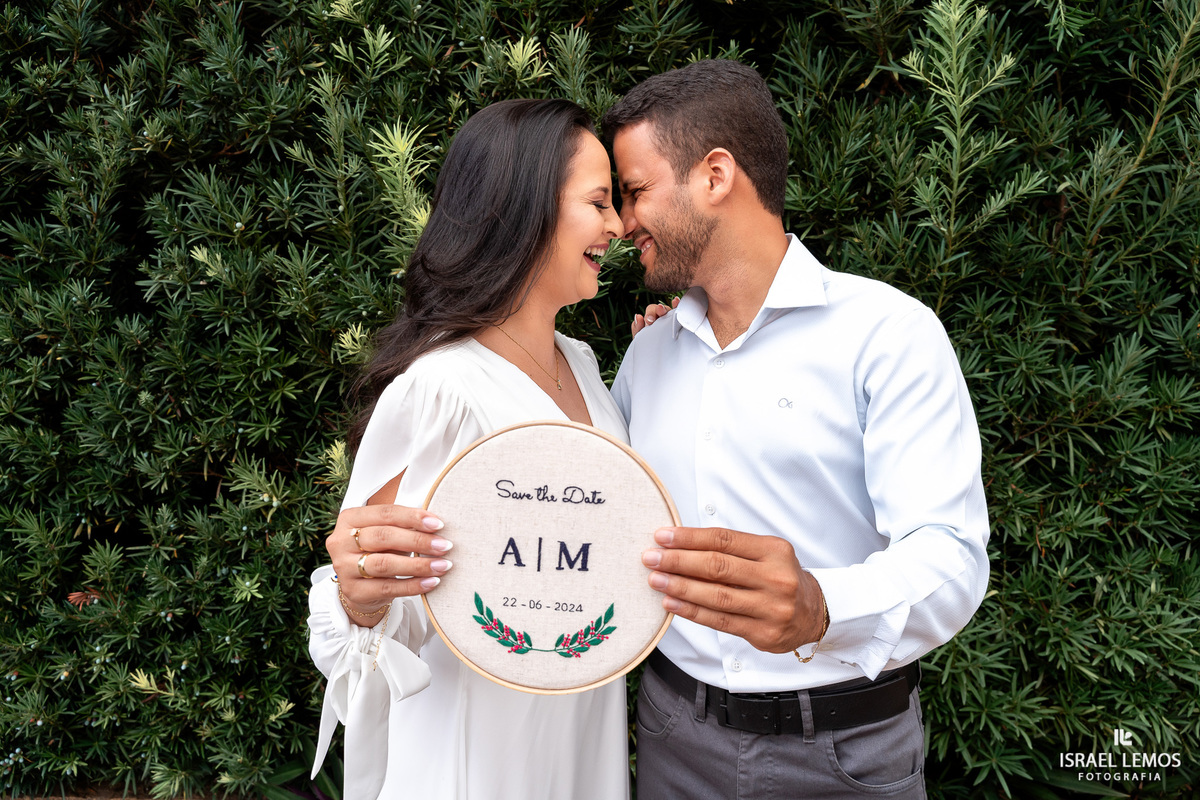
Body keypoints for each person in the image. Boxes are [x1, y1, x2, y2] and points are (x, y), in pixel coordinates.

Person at [604, 60, 990, 798]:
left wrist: (821, 607)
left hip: (844, 754)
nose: (624, 224)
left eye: (637, 191)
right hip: (668, 737)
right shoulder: (649, 352)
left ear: (715, 176)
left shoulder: (889, 334)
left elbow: (951, 557)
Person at [305, 99, 628, 800]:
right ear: (526, 211)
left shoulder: (583, 366)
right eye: (599, 202)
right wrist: (360, 602)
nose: (618, 225)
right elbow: (379, 603)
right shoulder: (442, 390)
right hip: (477, 765)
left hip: (579, 752)